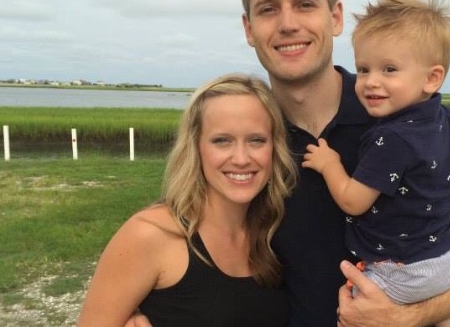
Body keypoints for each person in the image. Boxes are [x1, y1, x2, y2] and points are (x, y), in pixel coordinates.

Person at [125, 0, 450, 326]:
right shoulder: (250, 140)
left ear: (334, 17)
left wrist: (410, 317)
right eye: (268, 9)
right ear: (249, 29)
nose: (287, 24)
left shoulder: (402, 118)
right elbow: (191, 232)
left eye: (304, 4)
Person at [302, 0, 450, 326]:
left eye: (389, 70)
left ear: (432, 77)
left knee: (355, 314)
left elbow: (353, 201)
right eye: (363, 69)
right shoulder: (445, 118)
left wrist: (330, 164)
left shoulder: (390, 139)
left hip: (401, 269)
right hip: (447, 258)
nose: (371, 82)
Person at [78, 73, 297, 326]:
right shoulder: (151, 234)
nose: (241, 158)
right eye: (222, 141)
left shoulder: (273, 232)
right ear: (196, 147)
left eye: (256, 140)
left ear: (274, 147)